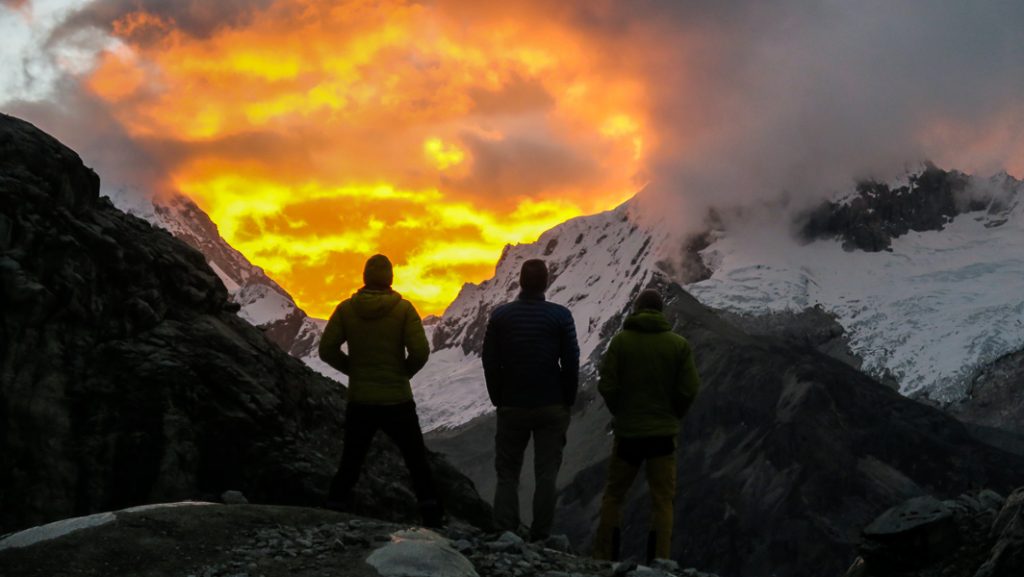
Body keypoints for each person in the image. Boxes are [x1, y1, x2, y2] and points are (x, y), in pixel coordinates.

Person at [318, 254, 443, 527]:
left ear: (365, 277)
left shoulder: (346, 310)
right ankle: (433, 518)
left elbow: (326, 350)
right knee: (416, 461)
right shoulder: (404, 310)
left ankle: (334, 511)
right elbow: (420, 351)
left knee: (351, 459)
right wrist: (402, 373)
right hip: (397, 398)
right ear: (390, 278)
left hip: (360, 399)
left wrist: (354, 370)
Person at [592, 288, 700, 563]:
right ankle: (660, 561)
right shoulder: (678, 345)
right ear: (661, 312)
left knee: (614, 495)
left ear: (636, 309)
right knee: (662, 500)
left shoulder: (620, 342)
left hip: (628, 434)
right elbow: (689, 388)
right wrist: (673, 413)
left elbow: (607, 384)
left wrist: (622, 411)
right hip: (663, 437)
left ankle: (605, 558)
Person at [482, 258, 580, 541]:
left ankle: (505, 529)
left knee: (508, 470)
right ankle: (540, 536)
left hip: (512, 403)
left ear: (521, 282)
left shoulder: (501, 317)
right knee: (547, 472)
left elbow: (490, 360)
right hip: (551, 404)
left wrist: (497, 397)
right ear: (546, 282)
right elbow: (571, 361)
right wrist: (567, 399)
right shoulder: (561, 316)